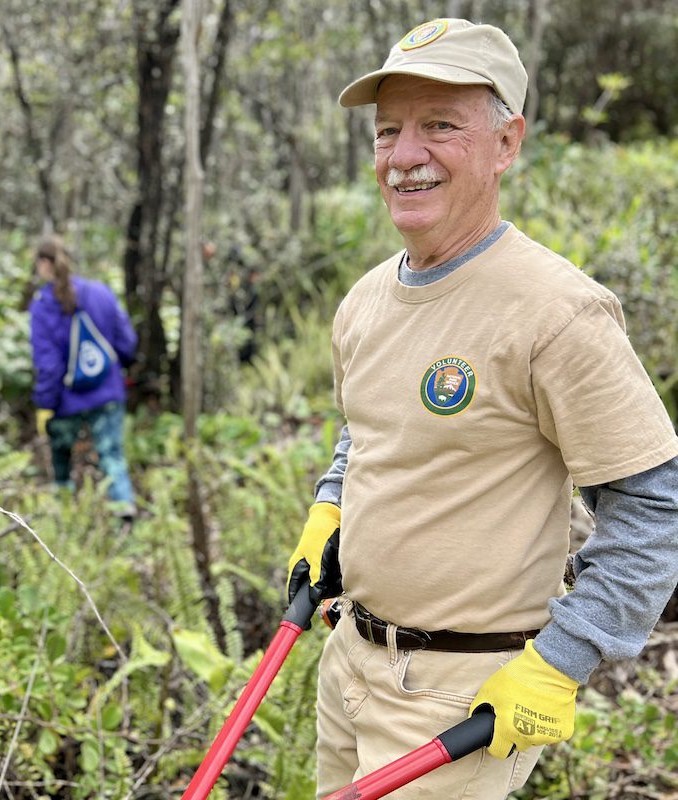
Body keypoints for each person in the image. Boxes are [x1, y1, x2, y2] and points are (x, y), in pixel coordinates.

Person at [284, 18, 678, 798]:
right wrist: (331, 508)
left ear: (507, 143)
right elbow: (366, 434)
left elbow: (653, 511)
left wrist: (560, 664)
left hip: (462, 701)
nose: (403, 155)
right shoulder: (364, 301)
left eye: (440, 126)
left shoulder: (556, 312)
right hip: (348, 665)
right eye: (388, 130)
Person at [29, 234, 139, 519]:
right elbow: (126, 341)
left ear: (44, 264)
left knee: (62, 458)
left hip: (67, 401)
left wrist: (46, 405)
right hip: (108, 390)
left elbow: (49, 366)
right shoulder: (101, 292)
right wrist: (118, 371)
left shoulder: (42, 306)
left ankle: (64, 520)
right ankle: (124, 516)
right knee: (112, 457)